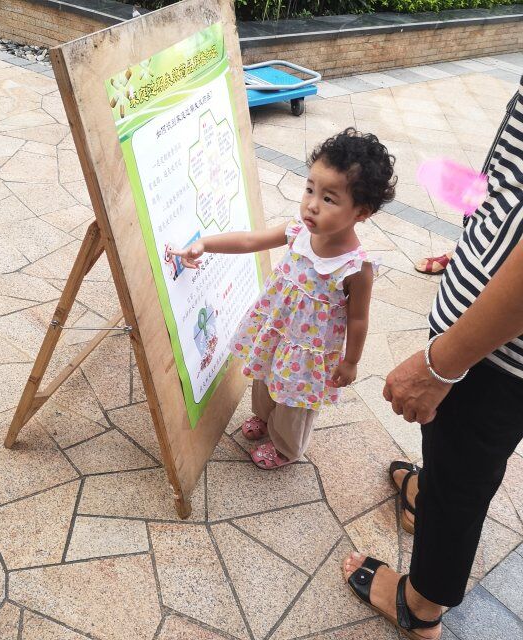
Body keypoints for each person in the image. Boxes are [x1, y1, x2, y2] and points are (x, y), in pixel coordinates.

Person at [342, 82, 523, 639]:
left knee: (466, 469)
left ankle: (421, 605)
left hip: (498, 348)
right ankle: (427, 494)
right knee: (452, 449)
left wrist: (443, 363)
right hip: (487, 328)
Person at [169, 128, 396, 469]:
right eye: (310, 189)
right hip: (276, 331)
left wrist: (351, 361)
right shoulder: (298, 232)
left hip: (308, 352)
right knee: (264, 376)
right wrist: (205, 244)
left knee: (295, 402)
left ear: (361, 212)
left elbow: (359, 318)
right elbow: (250, 240)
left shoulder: (355, 267)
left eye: (329, 199)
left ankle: (286, 447)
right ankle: (265, 417)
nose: (312, 205)